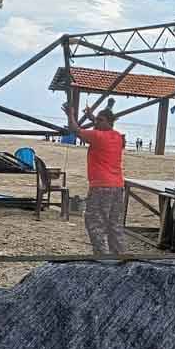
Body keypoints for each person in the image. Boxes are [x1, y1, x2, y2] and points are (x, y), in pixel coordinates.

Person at [63, 102, 126, 254]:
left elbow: (75, 130)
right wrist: (92, 115)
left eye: (99, 120)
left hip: (101, 186)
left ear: (108, 122)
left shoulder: (98, 136)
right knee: (114, 223)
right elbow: (101, 125)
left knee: (94, 221)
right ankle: (119, 254)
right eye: (96, 120)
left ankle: (102, 255)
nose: (96, 122)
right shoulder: (117, 137)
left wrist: (70, 114)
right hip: (117, 186)